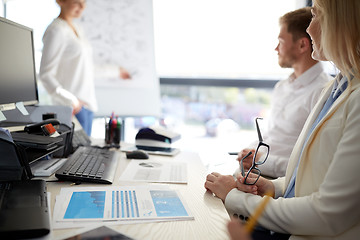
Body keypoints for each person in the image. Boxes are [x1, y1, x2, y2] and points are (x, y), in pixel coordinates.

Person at [205, 0, 360, 239]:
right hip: (285, 209)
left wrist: (235, 197)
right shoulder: (335, 88)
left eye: (317, 16)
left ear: (340, 22)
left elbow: (326, 214)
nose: (310, 28)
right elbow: (312, 173)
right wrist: (275, 187)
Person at [236, 7, 331, 178]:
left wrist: (261, 160)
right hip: (258, 171)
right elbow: (271, 136)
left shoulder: (323, 92)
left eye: (281, 41)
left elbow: (311, 166)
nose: (276, 48)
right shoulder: (282, 87)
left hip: (279, 182)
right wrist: (250, 151)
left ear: (302, 44)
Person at [39, 0, 130, 136]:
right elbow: (45, 75)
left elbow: (87, 68)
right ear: (60, 1)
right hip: (72, 109)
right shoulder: (56, 30)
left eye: (84, 2)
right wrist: (73, 101)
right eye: (77, 2)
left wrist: (116, 71)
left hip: (87, 106)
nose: (82, 7)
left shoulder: (77, 28)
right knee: (76, 155)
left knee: (86, 154)